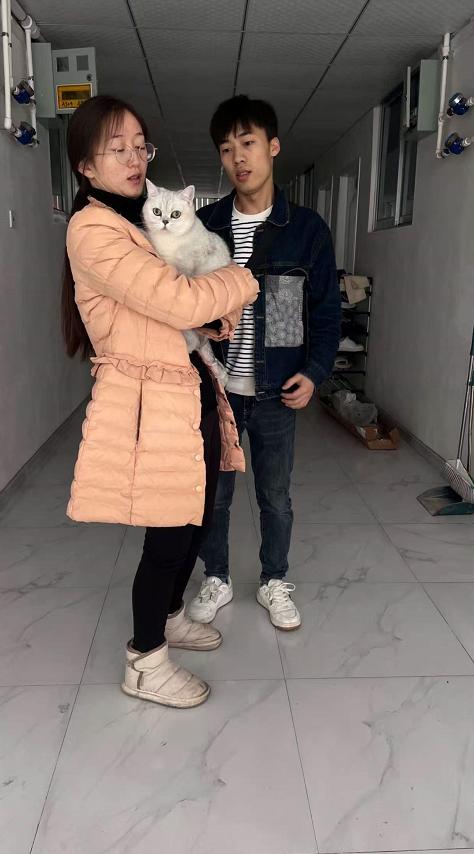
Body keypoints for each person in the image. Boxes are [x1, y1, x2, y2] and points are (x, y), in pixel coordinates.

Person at [61, 95, 259, 708]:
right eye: (115, 148)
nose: (134, 159)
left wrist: (215, 318)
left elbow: (183, 311)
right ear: (85, 166)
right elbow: (178, 300)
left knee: (197, 518)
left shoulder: (138, 225)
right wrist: (241, 280)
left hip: (189, 386)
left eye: (139, 146)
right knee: (169, 535)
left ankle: (170, 617)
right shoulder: (94, 229)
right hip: (152, 404)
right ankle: (145, 661)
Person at [188, 95, 340, 631]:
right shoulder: (203, 226)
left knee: (275, 496)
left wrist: (315, 372)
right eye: (226, 149)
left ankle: (274, 579)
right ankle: (218, 577)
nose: (238, 158)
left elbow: (325, 313)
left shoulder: (307, 230)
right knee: (215, 495)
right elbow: (181, 307)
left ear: (273, 147)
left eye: (248, 143)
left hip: (277, 392)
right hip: (218, 390)